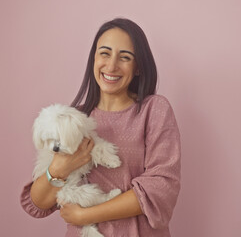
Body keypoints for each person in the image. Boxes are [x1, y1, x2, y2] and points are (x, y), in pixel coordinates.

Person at [20, 18, 181, 237]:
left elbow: (160, 187)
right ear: (94, 58)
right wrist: (59, 169)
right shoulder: (74, 118)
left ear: (138, 68)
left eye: (125, 57)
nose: (112, 65)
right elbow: (37, 203)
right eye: (104, 53)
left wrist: (85, 216)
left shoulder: (154, 110)